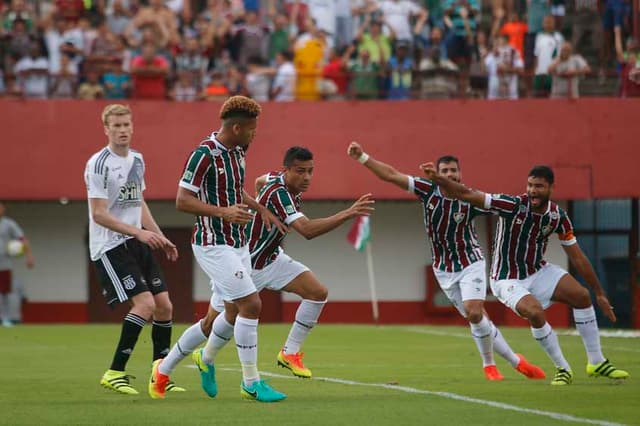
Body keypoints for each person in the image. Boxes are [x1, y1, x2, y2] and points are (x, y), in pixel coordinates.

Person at [149, 146, 374, 397]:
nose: (307, 177)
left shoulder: (274, 179)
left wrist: (260, 207)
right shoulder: (280, 194)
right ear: (286, 170)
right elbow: (307, 230)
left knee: (317, 292)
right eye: (300, 171)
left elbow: (259, 180)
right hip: (246, 264)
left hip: (272, 259)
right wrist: (349, 212)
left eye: (311, 171)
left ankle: (289, 353)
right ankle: (178, 364)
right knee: (212, 324)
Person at [346, 143, 545, 381]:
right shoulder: (427, 189)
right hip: (444, 270)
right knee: (477, 318)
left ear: (460, 174)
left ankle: (489, 366)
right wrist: (362, 157)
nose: (451, 175)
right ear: (438, 173)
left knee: (474, 312)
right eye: (446, 170)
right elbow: (391, 175)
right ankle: (516, 361)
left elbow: (503, 208)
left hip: (472, 263)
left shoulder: (469, 197)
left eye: (454, 171)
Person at [420, 163, 630, 385]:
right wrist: (438, 180)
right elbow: (466, 193)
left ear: (551, 188)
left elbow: (577, 256)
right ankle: (562, 367)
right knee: (536, 313)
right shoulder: (512, 205)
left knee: (582, 296)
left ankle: (596, 362)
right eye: (530, 185)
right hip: (506, 277)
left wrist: (599, 293)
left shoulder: (558, 216)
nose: (532, 191)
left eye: (538, 186)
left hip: (538, 271)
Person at [152, 96, 289, 403]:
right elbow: (182, 201)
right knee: (251, 305)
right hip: (212, 245)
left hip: (238, 244)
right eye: (252, 129)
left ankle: (167, 369)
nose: (255, 134)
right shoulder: (203, 154)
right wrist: (224, 212)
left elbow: (234, 188)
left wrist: (259, 207)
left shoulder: (239, 151)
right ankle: (251, 383)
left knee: (219, 318)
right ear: (237, 127)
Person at [84, 104, 182, 395]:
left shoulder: (137, 159)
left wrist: (159, 236)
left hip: (135, 241)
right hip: (109, 245)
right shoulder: (98, 164)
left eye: (126, 124)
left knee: (165, 306)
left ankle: (160, 376)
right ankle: (114, 371)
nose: (123, 130)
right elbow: (99, 214)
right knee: (146, 305)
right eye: (116, 126)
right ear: (106, 129)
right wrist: (139, 233)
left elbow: (138, 202)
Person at [0, 201, 35, 327]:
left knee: (5, 292)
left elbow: (23, 239)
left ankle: (5, 318)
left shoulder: (9, 224)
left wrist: (29, 256)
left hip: (4, 263)